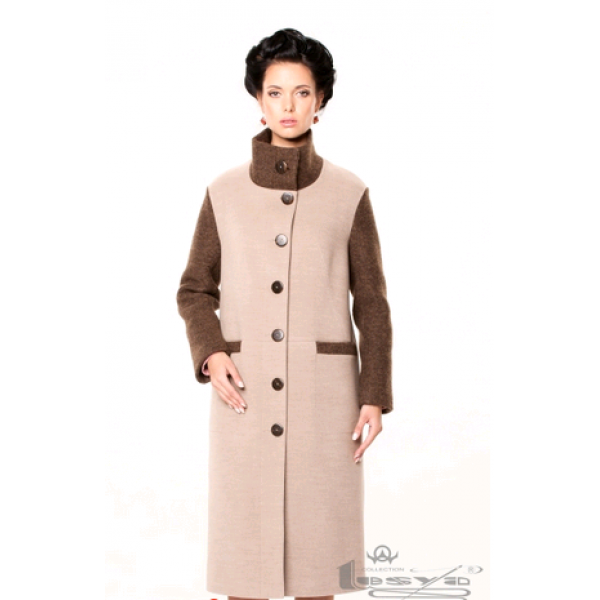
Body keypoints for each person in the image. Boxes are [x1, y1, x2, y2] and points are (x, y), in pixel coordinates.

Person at [176, 28, 393, 600]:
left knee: (320, 571)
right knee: (244, 573)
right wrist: (211, 351)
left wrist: (374, 394)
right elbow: (194, 288)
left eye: (301, 93)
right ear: (258, 99)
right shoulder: (223, 192)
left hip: (327, 404)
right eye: (275, 93)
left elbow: (372, 302)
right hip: (244, 399)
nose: (288, 106)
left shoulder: (349, 193)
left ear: (320, 101)